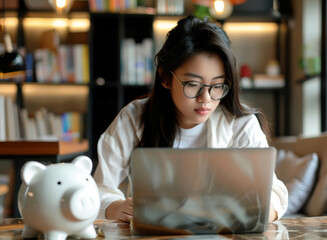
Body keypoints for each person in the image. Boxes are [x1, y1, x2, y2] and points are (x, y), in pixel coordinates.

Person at [94, 15, 288, 223]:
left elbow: (274, 192)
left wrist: (259, 212)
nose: (205, 99)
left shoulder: (241, 125)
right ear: (165, 77)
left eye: (217, 85)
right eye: (193, 85)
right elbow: (98, 189)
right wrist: (114, 207)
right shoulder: (134, 119)